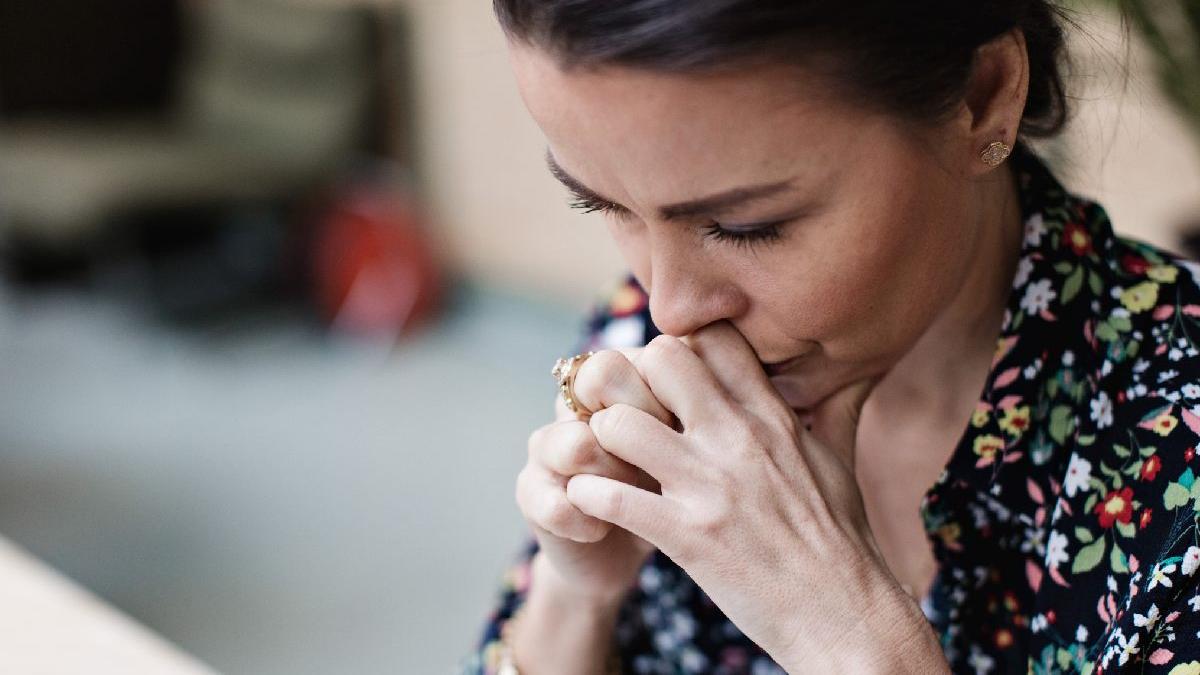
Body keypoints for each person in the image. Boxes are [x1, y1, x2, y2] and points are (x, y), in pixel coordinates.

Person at [460, 1, 1200, 673]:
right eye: (603, 205)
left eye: (746, 227)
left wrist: (850, 636)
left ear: (982, 96)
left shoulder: (1179, 459)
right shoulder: (638, 333)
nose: (670, 309)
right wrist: (576, 600)